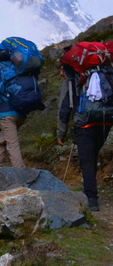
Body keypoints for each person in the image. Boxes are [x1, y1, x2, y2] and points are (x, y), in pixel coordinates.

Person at [57, 65, 111, 211]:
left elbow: (64, 109)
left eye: (61, 69)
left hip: (84, 125)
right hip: (105, 121)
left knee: (86, 161)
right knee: (92, 156)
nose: (61, 73)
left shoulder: (70, 80)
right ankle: (90, 190)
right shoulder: (103, 73)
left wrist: (60, 133)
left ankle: (91, 198)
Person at [0, 49, 26, 167]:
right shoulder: (13, 69)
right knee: (0, 143)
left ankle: (22, 176)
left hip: (7, 114)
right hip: (22, 111)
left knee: (12, 145)